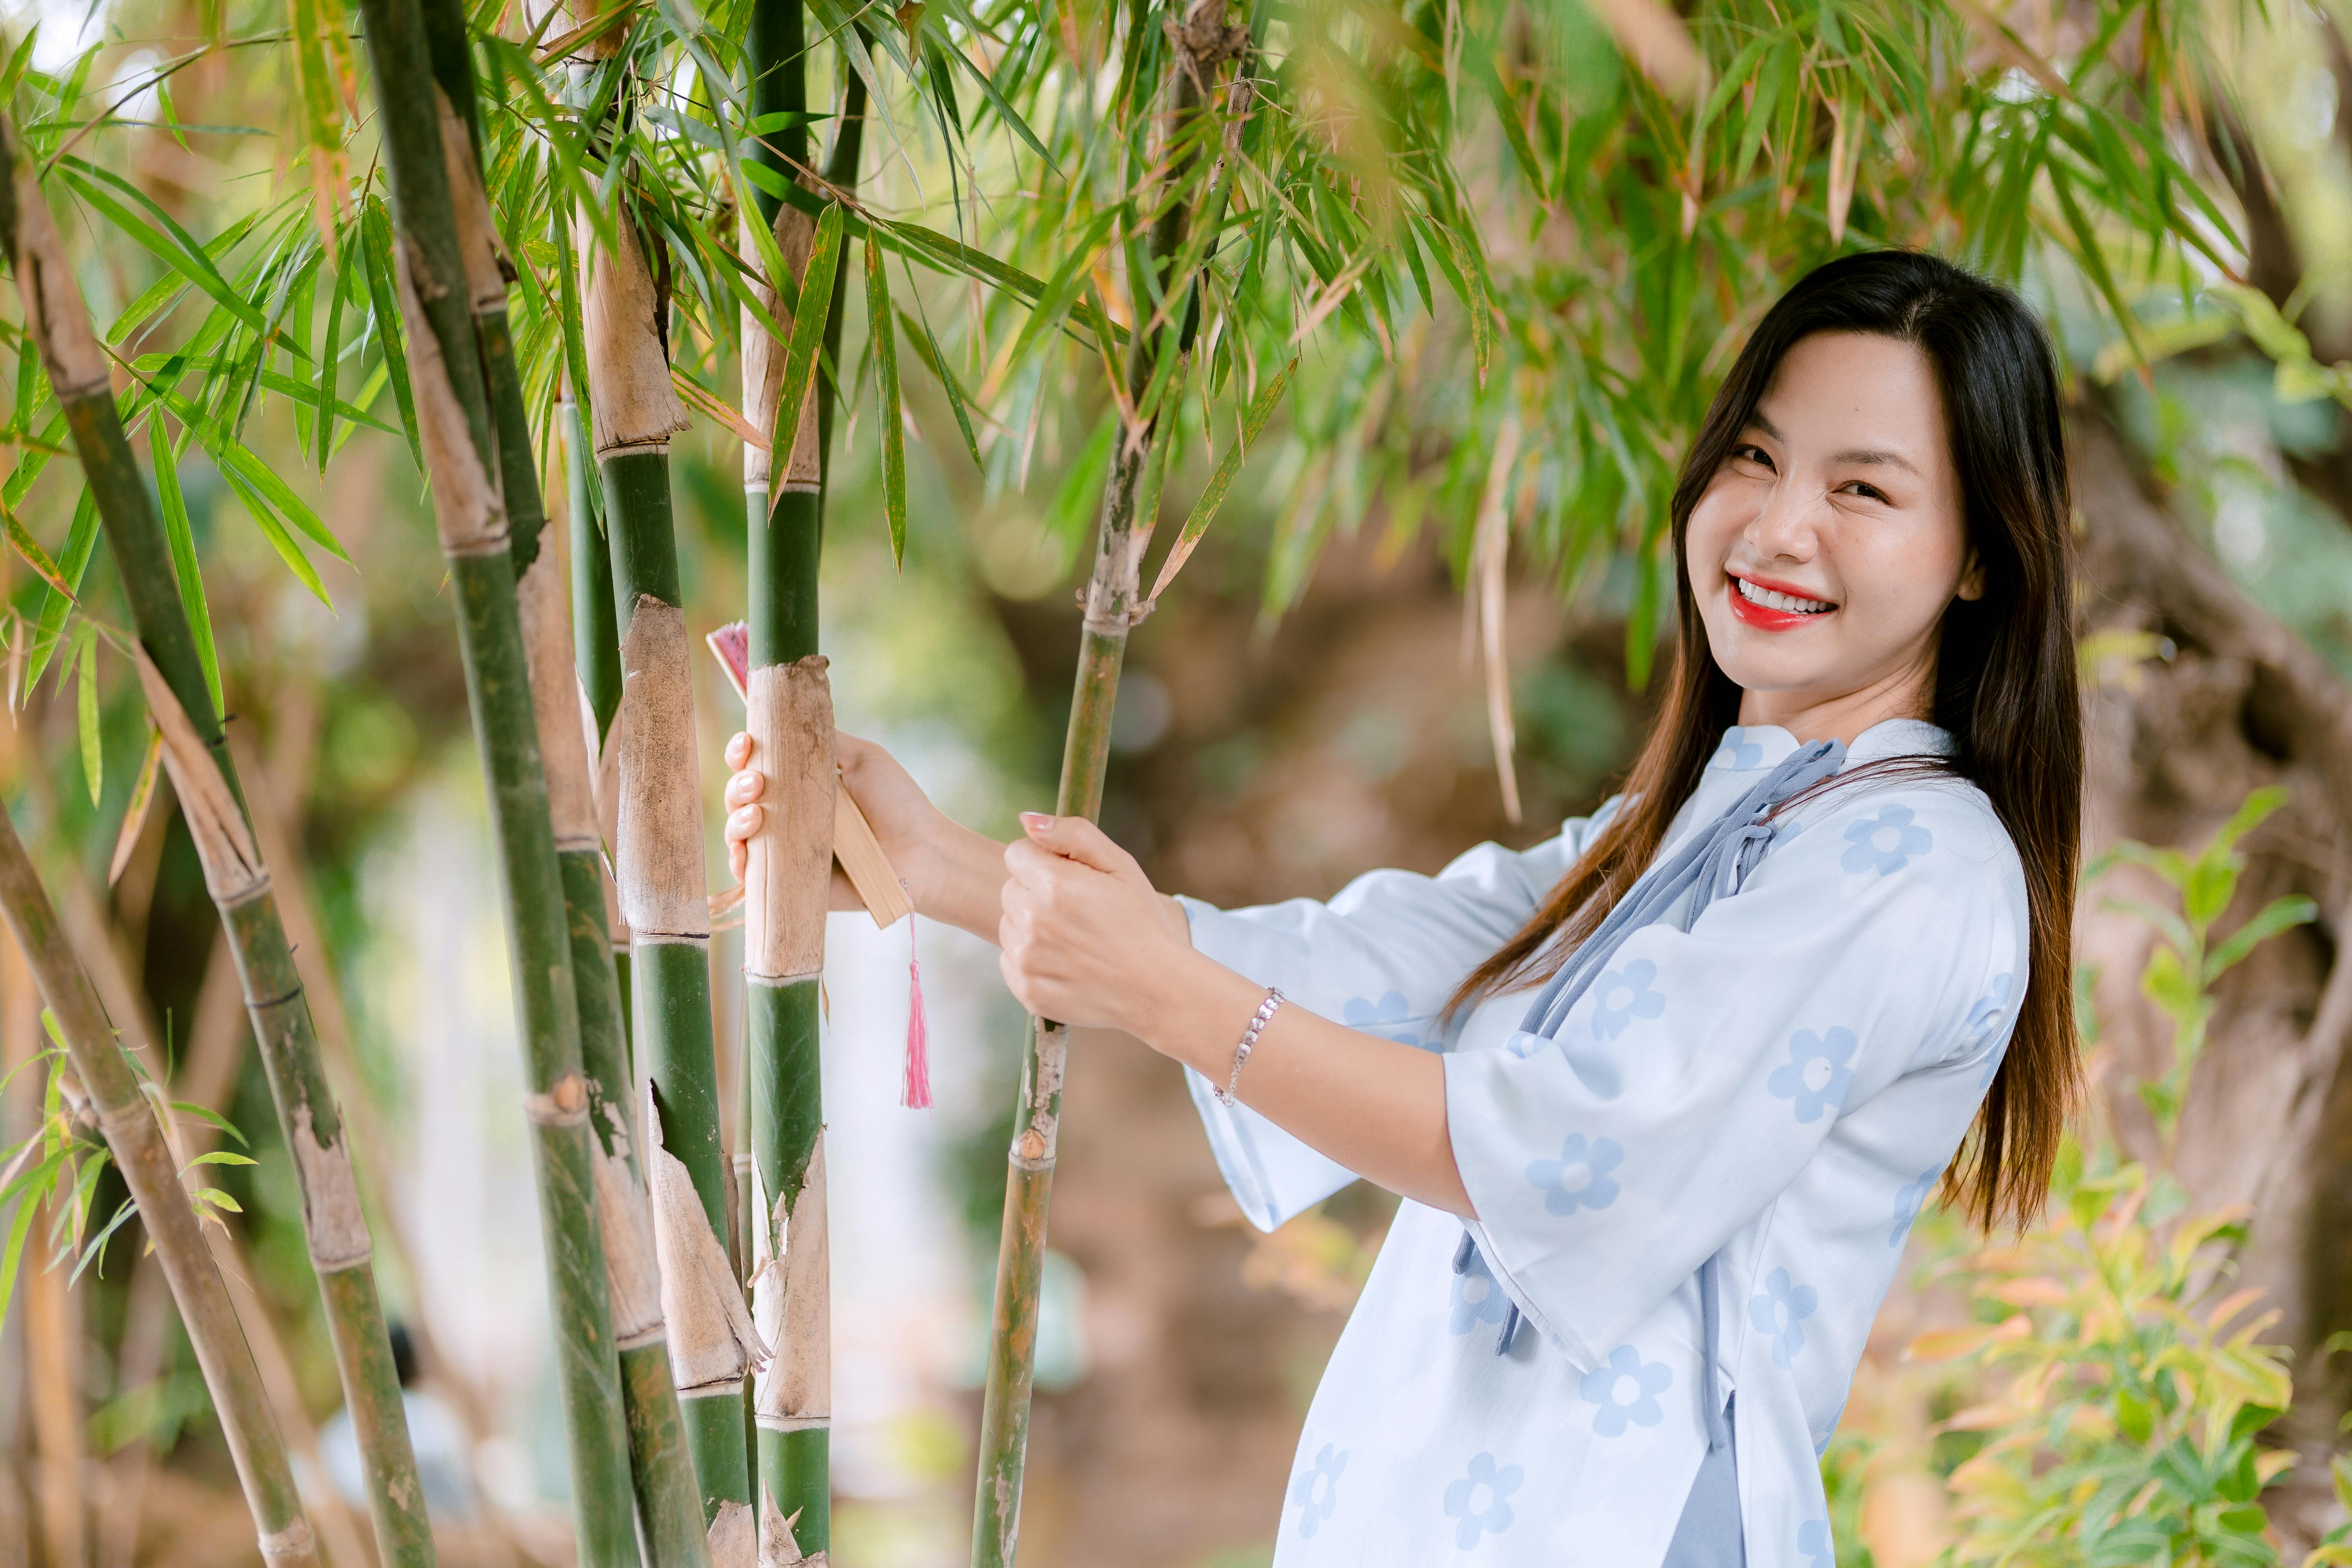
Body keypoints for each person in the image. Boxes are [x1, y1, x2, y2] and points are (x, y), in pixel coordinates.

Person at [721, 250, 2080, 1566]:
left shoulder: (1917, 864)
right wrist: (939, 868)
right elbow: (1385, 963)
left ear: (1980, 556)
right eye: (1757, 456)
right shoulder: (1699, 826)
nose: (1781, 527)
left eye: (1864, 489)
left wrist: (1169, 994)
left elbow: (1564, 1154)